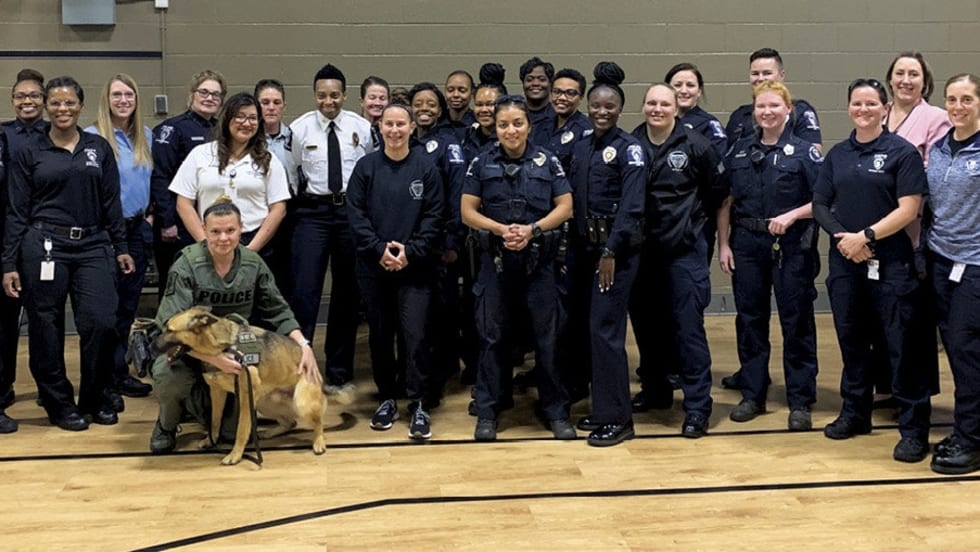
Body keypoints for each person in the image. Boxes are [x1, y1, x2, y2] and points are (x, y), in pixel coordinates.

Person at [2, 76, 135, 431]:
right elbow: (17, 210)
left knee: (101, 322)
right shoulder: (29, 151)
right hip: (43, 246)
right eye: (56, 103)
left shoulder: (98, 148)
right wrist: (8, 262)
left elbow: (111, 203)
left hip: (92, 245)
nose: (63, 109)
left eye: (70, 103)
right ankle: (59, 403)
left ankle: (94, 397)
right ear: (47, 106)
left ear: (80, 106)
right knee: (45, 327)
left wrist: (120, 246)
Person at [812, 78, 931, 464]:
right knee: (852, 340)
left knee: (900, 346)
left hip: (892, 263)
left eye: (870, 104)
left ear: (884, 108)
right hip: (845, 263)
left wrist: (866, 236)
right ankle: (855, 413)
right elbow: (820, 204)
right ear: (848, 108)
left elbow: (908, 208)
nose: (863, 110)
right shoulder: (838, 154)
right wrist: (845, 239)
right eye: (856, 103)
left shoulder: (902, 152)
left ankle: (914, 429)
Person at [148, 198, 319, 453]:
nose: (223, 238)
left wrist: (303, 345)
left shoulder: (252, 263)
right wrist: (215, 360)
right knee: (168, 374)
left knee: (231, 433)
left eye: (230, 230)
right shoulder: (187, 265)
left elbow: (278, 309)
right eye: (215, 231)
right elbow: (168, 327)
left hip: (234, 350)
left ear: (241, 229)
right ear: (204, 232)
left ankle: (202, 410)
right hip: (189, 350)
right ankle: (167, 423)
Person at [461, 94, 575, 442]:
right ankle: (489, 410)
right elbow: (467, 210)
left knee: (548, 340)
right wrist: (499, 230)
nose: (511, 130)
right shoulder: (481, 162)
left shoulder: (547, 161)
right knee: (493, 339)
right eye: (503, 125)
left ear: (528, 125)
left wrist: (532, 229)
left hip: (539, 265)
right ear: (494, 128)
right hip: (495, 264)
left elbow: (566, 206)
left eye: (517, 123)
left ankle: (555, 410)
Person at [717, 81, 821, 430]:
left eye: (775, 106)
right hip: (747, 243)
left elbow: (823, 201)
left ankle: (801, 401)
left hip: (791, 246)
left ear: (788, 110)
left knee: (797, 322)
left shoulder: (805, 153)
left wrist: (792, 215)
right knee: (750, 321)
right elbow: (725, 201)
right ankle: (753, 394)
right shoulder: (739, 152)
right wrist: (724, 244)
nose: (767, 112)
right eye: (761, 107)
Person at [628, 83, 727, 438]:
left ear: (675, 109)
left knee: (688, 331)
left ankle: (698, 406)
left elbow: (718, 193)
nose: (657, 109)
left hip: (683, 253)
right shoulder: (631, 144)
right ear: (643, 107)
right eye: (651, 103)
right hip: (642, 253)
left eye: (664, 103)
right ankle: (656, 391)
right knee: (647, 327)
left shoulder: (697, 145)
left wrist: (704, 238)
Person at [347, 104, 444, 439]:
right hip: (374, 269)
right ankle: (387, 397)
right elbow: (356, 217)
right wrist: (380, 250)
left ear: (412, 127)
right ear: (380, 127)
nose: (395, 130)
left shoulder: (426, 168)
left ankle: (418, 403)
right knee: (380, 335)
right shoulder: (365, 168)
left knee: (416, 336)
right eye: (389, 124)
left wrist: (409, 252)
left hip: (415, 269)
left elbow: (434, 216)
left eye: (401, 124)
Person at [565, 62, 646, 446]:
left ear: (619, 109)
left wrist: (611, 250)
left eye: (609, 106)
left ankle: (619, 419)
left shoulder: (630, 150)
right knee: (589, 332)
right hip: (583, 250)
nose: (601, 111)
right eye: (595, 105)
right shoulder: (581, 146)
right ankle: (602, 408)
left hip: (614, 255)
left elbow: (632, 207)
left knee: (607, 333)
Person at [285, 63, 375, 393]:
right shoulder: (300, 128)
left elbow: (369, 169)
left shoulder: (361, 127)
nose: (329, 101)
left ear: (345, 95)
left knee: (346, 295)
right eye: (322, 95)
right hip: (312, 213)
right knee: (305, 292)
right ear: (314, 96)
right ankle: (299, 372)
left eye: (335, 95)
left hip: (349, 213)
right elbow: (293, 170)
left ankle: (339, 373)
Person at [869, 52, 951, 410]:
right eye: (899, 73)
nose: (906, 79)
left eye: (913, 74)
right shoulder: (879, 113)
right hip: (876, 229)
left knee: (913, 320)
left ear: (924, 81)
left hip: (914, 233)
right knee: (881, 317)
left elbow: (934, 171)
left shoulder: (936, 118)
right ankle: (886, 386)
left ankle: (915, 396)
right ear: (889, 79)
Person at [85, 73, 155, 411]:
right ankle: (101, 380)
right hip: (104, 234)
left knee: (128, 309)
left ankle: (119, 372)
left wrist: (150, 214)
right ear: (106, 98)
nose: (124, 100)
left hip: (137, 230)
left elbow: (153, 180)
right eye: (117, 94)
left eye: (129, 94)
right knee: (105, 311)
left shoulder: (146, 136)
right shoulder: (91, 138)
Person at [927, 73, 980, 475]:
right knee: (957, 351)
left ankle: (971, 440)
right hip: (941, 260)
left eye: (967, 99)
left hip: (975, 265)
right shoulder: (942, 144)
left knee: (966, 352)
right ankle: (968, 428)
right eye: (952, 99)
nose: (958, 107)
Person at [170, 92, 289, 259]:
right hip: (209, 240)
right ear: (227, 119)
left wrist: (252, 250)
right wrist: (206, 243)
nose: (246, 123)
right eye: (240, 117)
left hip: (254, 241)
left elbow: (278, 208)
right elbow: (183, 203)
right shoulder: (201, 154)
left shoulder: (268, 159)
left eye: (253, 118)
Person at [408, 83, 467, 403]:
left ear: (440, 109)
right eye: (419, 104)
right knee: (419, 316)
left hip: (439, 242)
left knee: (442, 311)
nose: (425, 108)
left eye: (431, 103)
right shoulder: (405, 142)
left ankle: (441, 377)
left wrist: (452, 238)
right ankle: (421, 374)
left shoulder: (449, 145)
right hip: (411, 243)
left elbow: (457, 195)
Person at [0, 68, 50, 433]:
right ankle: (3, 389)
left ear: (44, 100)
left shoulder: (57, 135)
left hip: (45, 239)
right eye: (21, 96)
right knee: (4, 324)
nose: (27, 101)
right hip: (7, 237)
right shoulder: (2, 135)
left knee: (44, 319)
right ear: (12, 100)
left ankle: (50, 389)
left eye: (34, 95)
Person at [151, 69, 226, 298]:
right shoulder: (172, 129)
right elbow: (161, 176)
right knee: (176, 285)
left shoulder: (222, 131)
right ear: (192, 94)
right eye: (204, 92)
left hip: (210, 220)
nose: (209, 98)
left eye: (216, 94)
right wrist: (167, 221)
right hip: (177, 223)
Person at [725, 48, 822, 152]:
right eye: (755, 73)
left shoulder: (800, 111)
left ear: (781, 75)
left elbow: (814, 151)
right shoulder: (739, 116)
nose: (760, 78)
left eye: (767, 73)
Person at [254, 78, 296, 295]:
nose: (271, 107)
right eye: (265, 102)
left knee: (286, 276)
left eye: (276, 102)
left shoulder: (295, 137)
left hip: (290, 215)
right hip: (257, 214)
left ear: (284, 106)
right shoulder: (248, 139)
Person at [535, 68, 593, 172]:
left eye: (570, 93)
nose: (562, 97)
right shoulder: (541, 125)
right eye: (557, 92)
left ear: (581, 98)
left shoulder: (586, 130)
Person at [666, 62, 727, 158]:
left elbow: (718, 162)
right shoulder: (659, 122)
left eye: (690, 85)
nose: (684, 91)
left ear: (699, 91)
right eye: (677, 85)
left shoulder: (709, 125)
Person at [461, 63, 507, 162]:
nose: (484, 110)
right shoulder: (467, 136)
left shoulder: (510, 139)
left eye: (490, 104)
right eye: (479, 104)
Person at [520, 57, 557, 142]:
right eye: (529, 79)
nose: (535, 83)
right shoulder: (516, 114)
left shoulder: (558, 117)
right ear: (523, 83)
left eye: (542, 79)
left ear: (550, 84)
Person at [444, 70, 476, 142]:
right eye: (450, 90)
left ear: (472, 92)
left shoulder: (478, 124)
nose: (455, 95)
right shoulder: (437, 122)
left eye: (462, 90)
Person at [360, 76, 389, 150]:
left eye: (382, 98)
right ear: (362, 101)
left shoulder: (392, 130)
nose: (377, 103)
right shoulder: (353, 128)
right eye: (372, 98)